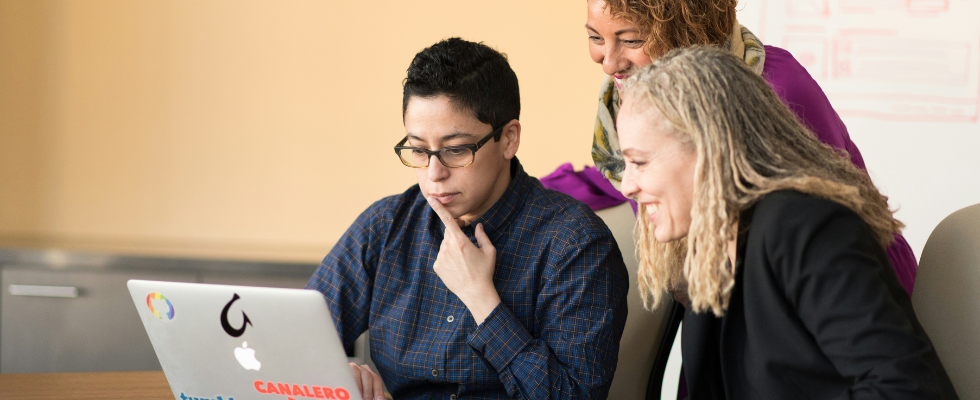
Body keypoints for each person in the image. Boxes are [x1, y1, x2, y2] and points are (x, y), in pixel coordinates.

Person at [617, 46, 957, 399]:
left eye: (639, 162)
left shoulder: (806, 228)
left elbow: (908, 389)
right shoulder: (712, 248)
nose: (627, 184)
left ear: (708, 149)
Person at [306, 38, 629, 400]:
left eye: (456, 150)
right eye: (418, 150)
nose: (433, 174)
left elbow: (573, 396)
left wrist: (482, 299)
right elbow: (297, 342)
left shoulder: (575, 243)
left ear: (508, 139)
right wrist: (333, 377)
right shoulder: (386, 226)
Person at [583, 0, 918, 295]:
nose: (609, 63)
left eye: (630, 40)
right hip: (734, 302)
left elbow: (827, 235)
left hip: (844, 296)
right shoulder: (626, 98)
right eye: (595, 37)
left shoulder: (775, 88)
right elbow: (646, 174)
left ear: (685, 29)